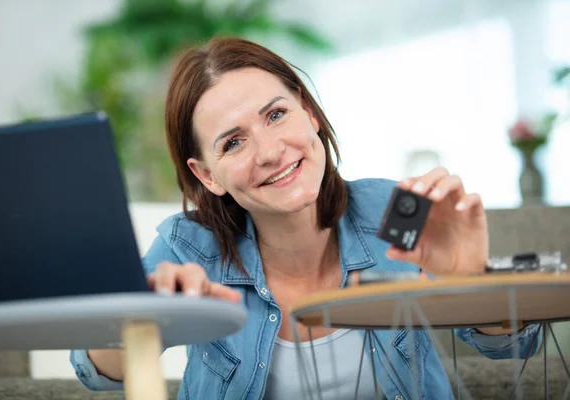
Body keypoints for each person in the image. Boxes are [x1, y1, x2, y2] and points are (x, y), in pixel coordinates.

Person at [70, 37, 541, 399]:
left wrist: (470, 282)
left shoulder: (394, 208)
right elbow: (93, 371)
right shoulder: (187, 246)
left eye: (276, 115)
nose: (272, 152)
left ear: (309, 112)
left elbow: (514, 346)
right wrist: (142, 326)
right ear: (206, 174)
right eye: (233, 142)